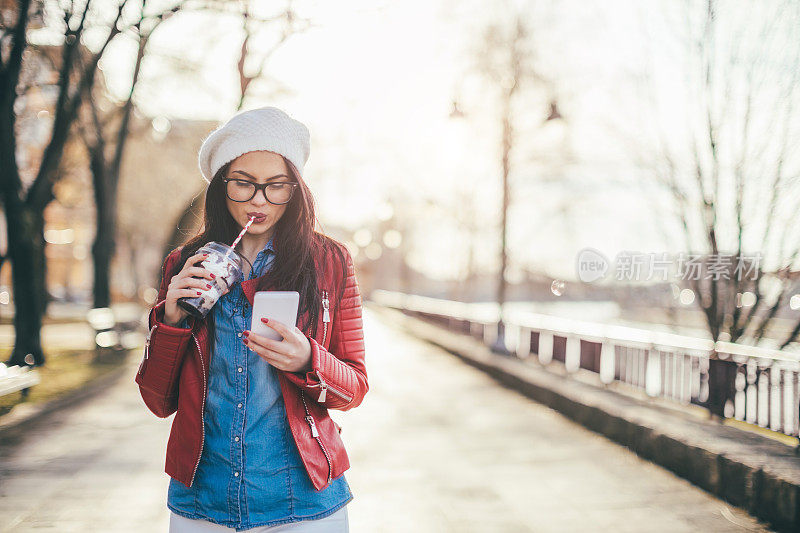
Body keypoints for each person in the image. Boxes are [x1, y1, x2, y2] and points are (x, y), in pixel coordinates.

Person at [135, 107, 368, 532]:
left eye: (276, 186)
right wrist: (171, 318)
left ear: (295, 189)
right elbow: (157, 400)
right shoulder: (184, 264)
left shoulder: (330, 262)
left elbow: (353, 389)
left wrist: (308, 360)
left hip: (305, 500)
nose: (259, 200)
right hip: (203, 501)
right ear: (221, 185)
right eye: (243, 184)